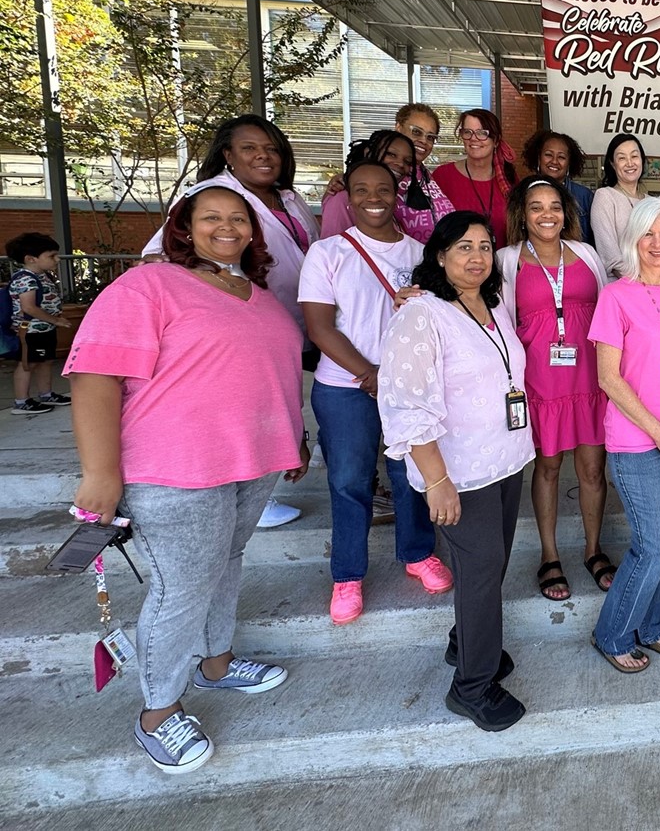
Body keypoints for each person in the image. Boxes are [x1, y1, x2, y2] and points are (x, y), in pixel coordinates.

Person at [65, 185, 309, 773]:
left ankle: (217, 663)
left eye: (238, 219)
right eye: (211, 218)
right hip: (174, 467)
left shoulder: (256, 294)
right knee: (182, 588)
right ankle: (157, 712)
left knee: (225, 561)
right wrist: (100, 473)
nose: (227, 227)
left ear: (254, 232)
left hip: (250, 461)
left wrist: (292, 434)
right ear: (183, 227)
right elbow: (95, 374)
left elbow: (265, 371)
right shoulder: (148, 285)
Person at [378, 211, 535, 731]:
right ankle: (471, 687)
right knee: (483, 569)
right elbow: (406, 402)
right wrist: (437, 480)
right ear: (440, 255)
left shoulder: (490, 304)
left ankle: (464, 644)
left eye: (485, 247)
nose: (476, 257)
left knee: (488, 569)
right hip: (459, 471)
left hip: (504, 460)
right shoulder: (421, 313)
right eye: (463, 247)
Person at [142, 114, 320, 528]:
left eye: (271, 148)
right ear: (227, 155)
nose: (263, 155)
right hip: (241, 321)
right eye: (250, 148)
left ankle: (268, 479)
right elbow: (160, 252)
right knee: (248, 403)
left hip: (285, 321)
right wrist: (216, 286)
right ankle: (253, 495)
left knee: (276, 399)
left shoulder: (286, 198)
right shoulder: (213, 194)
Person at [299, 161, 449, 626]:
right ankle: (347, 575)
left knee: (410, 477)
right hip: (345, 388)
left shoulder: (422, 254)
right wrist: (369, 372)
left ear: (396, 194)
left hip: (408, 390)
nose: (372, 197)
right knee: (349, 481)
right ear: (348, 197)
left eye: (382, 189)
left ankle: (417, 554)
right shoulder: (327, 253)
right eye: (361, 189)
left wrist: (394, 378)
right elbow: (320, 327)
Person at [587, 197, 660, 673]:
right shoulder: (616, 295)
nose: (657, 244)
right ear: (633, 239)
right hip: (638, 441)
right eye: (648, 234)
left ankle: (652, 627)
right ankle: (612, 633)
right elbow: (608, 379)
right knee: (652, 544)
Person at [497, 176, 612, 601]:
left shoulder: (585, 254)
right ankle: (549, 555)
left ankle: (593, 549)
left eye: (555, 206)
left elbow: (609, 309)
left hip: (589, 379)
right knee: (547, 468)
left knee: (593, 471)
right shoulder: (506, 260)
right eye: (536, 207)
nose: (547, 214)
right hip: (541, 383)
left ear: (567, 213)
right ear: (522, 216)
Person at [320, 129, 453, 244]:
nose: (400, 164)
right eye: (391, 154)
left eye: (407, 161)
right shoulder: (342, 196)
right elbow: (332, 250)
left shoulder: (389, 195)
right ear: (369, 152)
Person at [6, 232, 73, 415]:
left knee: (45, 361)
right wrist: (56, 320)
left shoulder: (42, 276)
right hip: (30, 331)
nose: (57, 259)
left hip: (44, 329)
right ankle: (21, 401)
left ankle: (46, 394)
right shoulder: (25, 279)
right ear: (31, 259)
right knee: (28, 364)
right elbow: (29, 307)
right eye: (51, 256)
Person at [432, 108, 518, 245]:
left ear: (495, 140)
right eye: (467, 132)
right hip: (456, 262)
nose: (473, 138)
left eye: (482, 133)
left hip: (502, 262)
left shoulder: (508, 179)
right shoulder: (442, 176)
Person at [590, 132, 649, 278]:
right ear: (612, 164)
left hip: (652, 288)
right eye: (622, 158)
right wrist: (644, 282)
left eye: (634, 156)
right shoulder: (605, 197)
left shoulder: (650, 202)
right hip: (621, 289)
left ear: (642, 159)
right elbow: (611, 258)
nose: (630, 163)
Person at [523, 129, 595, 244]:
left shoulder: (585, 196)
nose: (554, 161)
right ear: (538, 158)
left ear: (569, 163)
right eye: (548, 155)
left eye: (561, 157)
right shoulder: (523, 192)